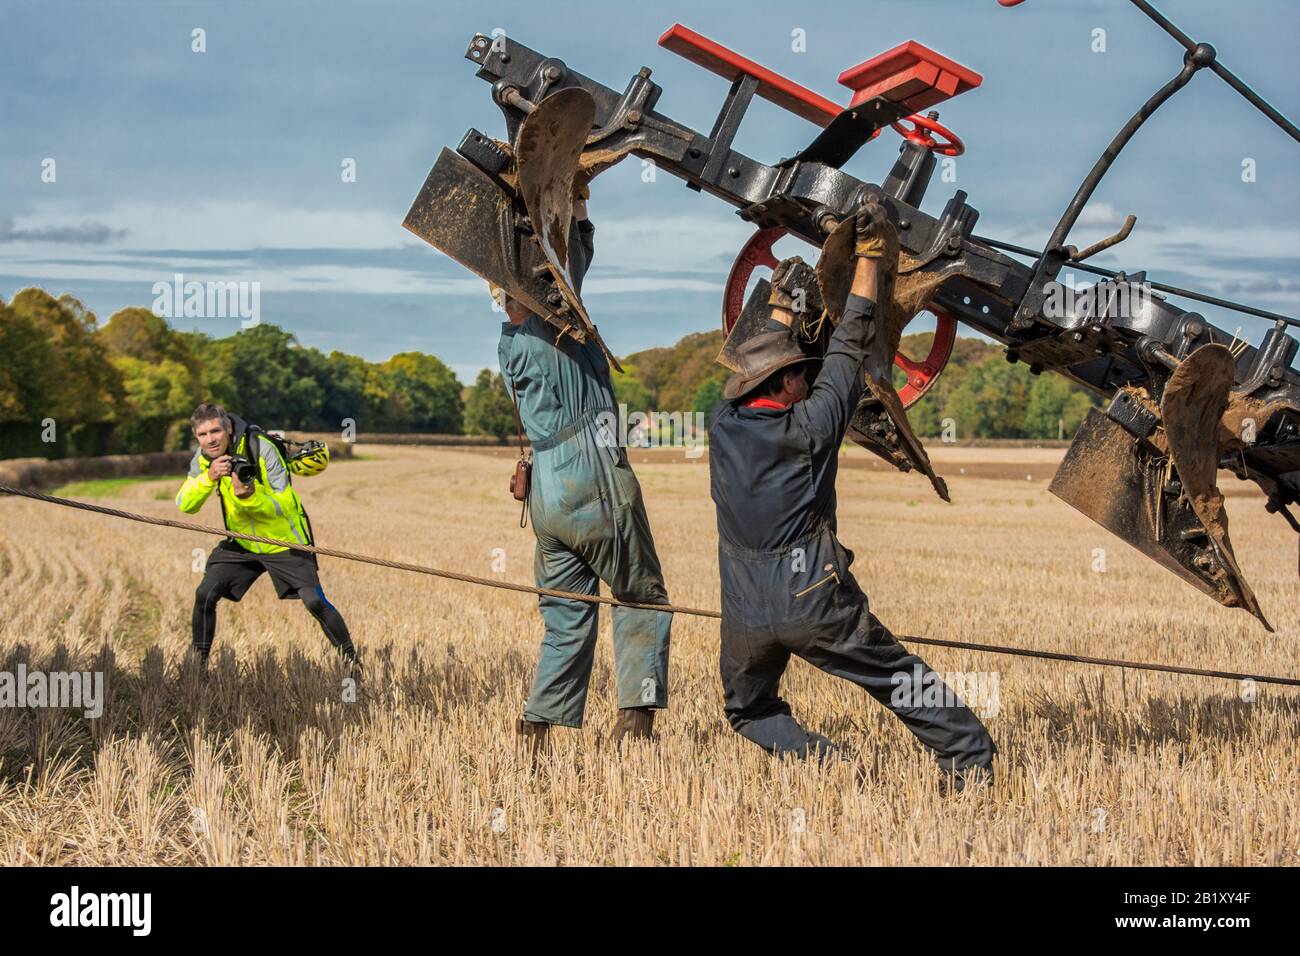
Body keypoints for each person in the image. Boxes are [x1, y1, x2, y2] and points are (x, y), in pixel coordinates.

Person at [706, 204, 996, 792]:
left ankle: (830, 767)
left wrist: (785, 308)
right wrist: (870, 257)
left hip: (743, 615)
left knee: (747, 708)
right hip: (812, 600)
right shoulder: (812, 427)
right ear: (787, 384)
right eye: (800, 373)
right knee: (896, 677)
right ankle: (970, 758)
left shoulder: (721, 425)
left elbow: (760, 370)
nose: (809, 378)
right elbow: (850, 345)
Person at [496, 183, 671, 754]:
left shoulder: (511, 344)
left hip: (546, 493)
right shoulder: (551, 331)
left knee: (567, 615)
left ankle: (534, 729)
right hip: (590, 475)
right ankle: (636, 724)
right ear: (530, 292)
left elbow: (570, 263)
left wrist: (577, 198)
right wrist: (576, 202)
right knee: (641, 593)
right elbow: (568, 266)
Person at [176, 403, 359, 672]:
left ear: (227, 427)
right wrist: (208, 477)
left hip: (284, 541)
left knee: (315, 601)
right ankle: (196, 669)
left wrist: (250, 497)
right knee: (205, 593)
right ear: (196, 437)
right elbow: (185, 504)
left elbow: (284, 503)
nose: (210, 439)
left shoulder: (261, 447)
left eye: (215, 431)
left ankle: (352, 664)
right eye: (203, 435)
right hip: (242, 542)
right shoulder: (203, 459)